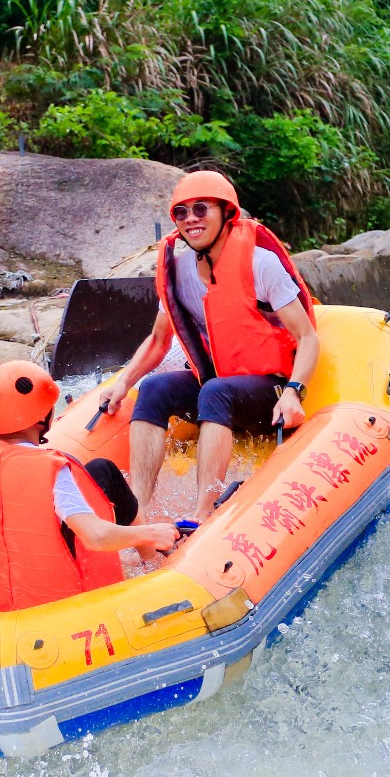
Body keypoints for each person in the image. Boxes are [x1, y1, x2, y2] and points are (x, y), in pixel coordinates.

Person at [98, 170, 319, 525]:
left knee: (216, 391)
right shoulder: (179, 270)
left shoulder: (260, 264)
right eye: (181, 213)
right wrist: (124, 383)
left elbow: (307, 337)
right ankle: (137, 510)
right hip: (218, 381)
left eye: (201, 209)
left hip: (269, 390)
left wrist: (293, 392)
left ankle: (202, 513)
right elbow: (159, 340)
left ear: (226, 212)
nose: (191, 220)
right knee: (154, 388)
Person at [0, 360, 179, 611]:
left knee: (100, 471)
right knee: (104, 471)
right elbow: (95, 536)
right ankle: (150, 558)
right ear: (43, 419)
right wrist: (150, 533)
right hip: (59, 611)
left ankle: (145, 557)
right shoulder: (53, 471)